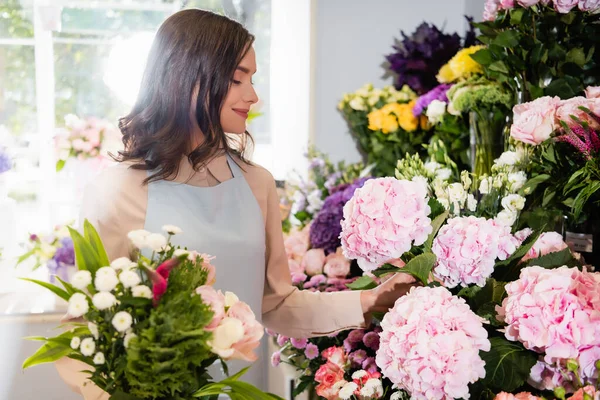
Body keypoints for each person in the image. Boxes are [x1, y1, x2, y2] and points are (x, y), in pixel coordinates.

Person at [55, 9, 416, 398]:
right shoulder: (116, 190)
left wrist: (368, 300)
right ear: (188, 78)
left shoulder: (256, 183)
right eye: (237, 78)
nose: (253, 94)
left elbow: (276, 304)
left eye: (253, 78)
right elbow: (81, 329)